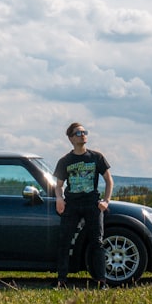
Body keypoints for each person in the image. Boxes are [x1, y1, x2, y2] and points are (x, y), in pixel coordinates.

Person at [54, 122, 114, 288]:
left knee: (97, 242)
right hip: (72, 204)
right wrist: (59, 199)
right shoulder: (65, 161)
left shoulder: (96, 157)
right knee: (64, 241)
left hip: (92, 204)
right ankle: (62, 281)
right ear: (71, 138)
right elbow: (58, 185)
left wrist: (106, 201)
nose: (83, 135)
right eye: (78, 133)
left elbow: (109, 180)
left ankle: (101, 281)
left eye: (84, 132)